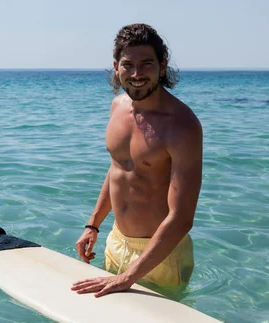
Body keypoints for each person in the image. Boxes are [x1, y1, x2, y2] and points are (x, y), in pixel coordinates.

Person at [71, 23, 203, 298]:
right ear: (116, 66)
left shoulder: (182, 126)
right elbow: (119, 168)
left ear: (162, 66)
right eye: (128, 65)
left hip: (161, 255)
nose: (136, 74)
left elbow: (182, 219)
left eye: (146, 64)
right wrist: (93, 224)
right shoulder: (117, 107)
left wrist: (128, 277)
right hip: (116, 241)